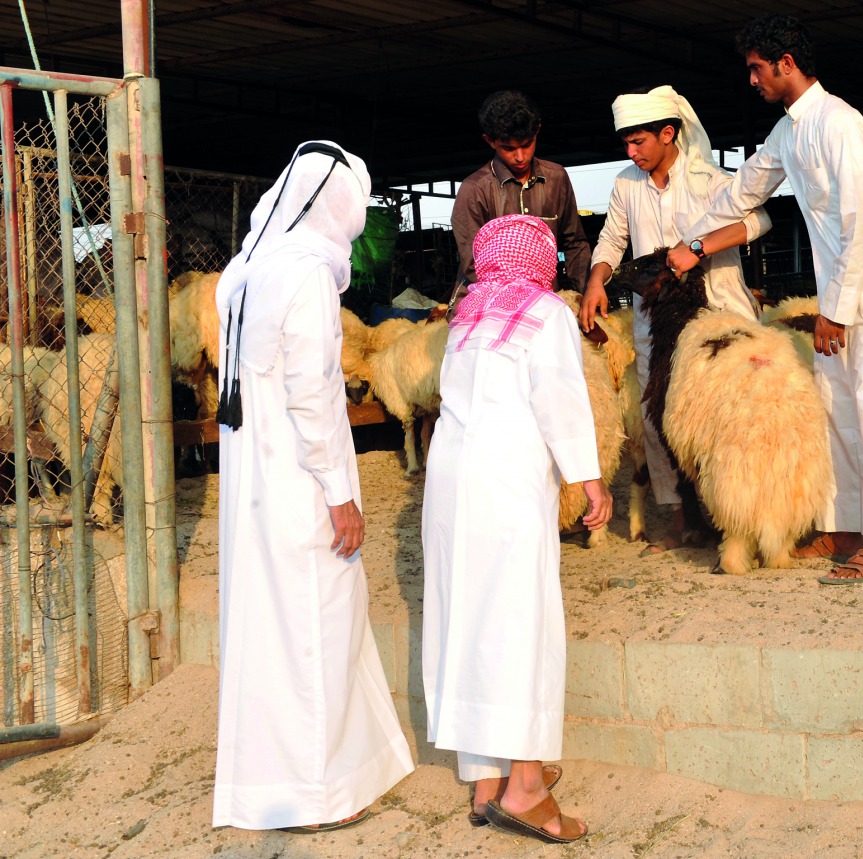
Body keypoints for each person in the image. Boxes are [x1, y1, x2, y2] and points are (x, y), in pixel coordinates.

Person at [667, 15, 863, 584]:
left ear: (786, 64)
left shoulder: (840, 123)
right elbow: (745, 188)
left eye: (757, 69)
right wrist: (688, 239)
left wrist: (835, 306)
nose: (752, 81)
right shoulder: (790, 132)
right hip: (841, 293)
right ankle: (847, 527)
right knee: (836, 412)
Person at [212, 140, 415, 832]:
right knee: (317, 624)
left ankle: (278, 785)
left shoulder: (244, 269)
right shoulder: (302, 276)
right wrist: (339, 489)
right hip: (298, 477)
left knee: (275, 628)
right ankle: (319, 794)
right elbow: (313, 389)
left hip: (255, 483)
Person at [422, 214, 612, 845]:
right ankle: (526, 787)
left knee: (466, 615)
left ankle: (483, 779)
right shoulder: (544, 312)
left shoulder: (467, 314)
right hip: (505, 480)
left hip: (450, 480)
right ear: (542, 258)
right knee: (517, 620)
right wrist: (588, 477)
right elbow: (559, 398)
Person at [579, 85, 771, 551]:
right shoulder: (627, 183)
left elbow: (759, 220)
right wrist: (595, 281)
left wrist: (700, 248)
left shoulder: (707, 178)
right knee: (661, 416)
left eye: (639, 141)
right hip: (658, 325)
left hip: (718, 317)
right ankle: (686, 519)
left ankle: (741, 518)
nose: (631, 151)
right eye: (626, 142)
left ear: (668, 133)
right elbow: (611, 238)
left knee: (729, 417)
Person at [450, 90, 591, 310]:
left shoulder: (556, 178)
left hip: (546, 304)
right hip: (488, 308)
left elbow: (575, 244)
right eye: (509, 148)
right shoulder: (474, 189)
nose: (520, 156)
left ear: (538, 131)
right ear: (490, 141)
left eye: (527, 144)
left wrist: (586, 294)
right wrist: (519, 303)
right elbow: (473, 265)